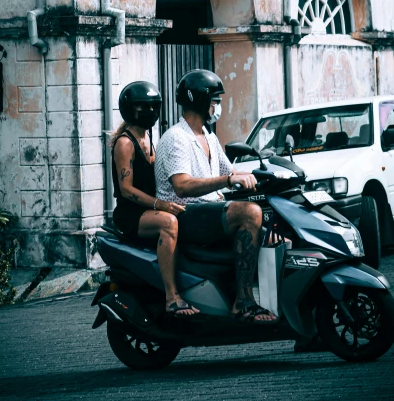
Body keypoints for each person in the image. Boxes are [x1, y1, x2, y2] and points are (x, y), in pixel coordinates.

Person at [155, 69, 277, 324]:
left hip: (208, 211)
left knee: (268, 215)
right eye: (215, 100)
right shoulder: (176, 138)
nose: (218, 106)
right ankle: (243, 302)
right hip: (186, 214)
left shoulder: (208, 136)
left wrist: (267, 176)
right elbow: (182, 186)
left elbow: (229, 171)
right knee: (249, 213)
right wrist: (229, 180)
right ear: (200, 101)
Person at [111, 81, 198, 318]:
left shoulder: (148, 137)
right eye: (142, 107)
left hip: (149, 209)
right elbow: (126, 189)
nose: (149, 112)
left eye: (153, 107)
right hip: (131, 214)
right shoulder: (125, 143)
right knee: (168, 223)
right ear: (129, 109)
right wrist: (161, 205)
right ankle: (172, 297)